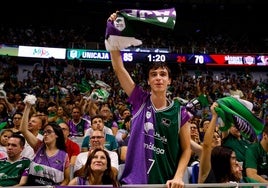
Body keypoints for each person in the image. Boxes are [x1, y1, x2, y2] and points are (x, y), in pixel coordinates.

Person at [107, 13, 192, 186]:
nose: (158, 78)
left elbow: (186, 150)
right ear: (148, 80)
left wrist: (178, 177)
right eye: (154, 75)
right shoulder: (139, 100)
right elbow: (118, 67)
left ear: (170, 80)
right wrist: (112, 30)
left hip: (164, 182)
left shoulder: (180, 112)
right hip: (134, 182)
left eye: (163, 74)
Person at [20, 101, 70, 186]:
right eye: (45, 132)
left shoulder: (64, 156)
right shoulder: (39, 146)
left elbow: (66, 179)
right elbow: (23, 130)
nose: (45, 134)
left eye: (49, 132)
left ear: (57, 135)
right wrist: (27, 107)